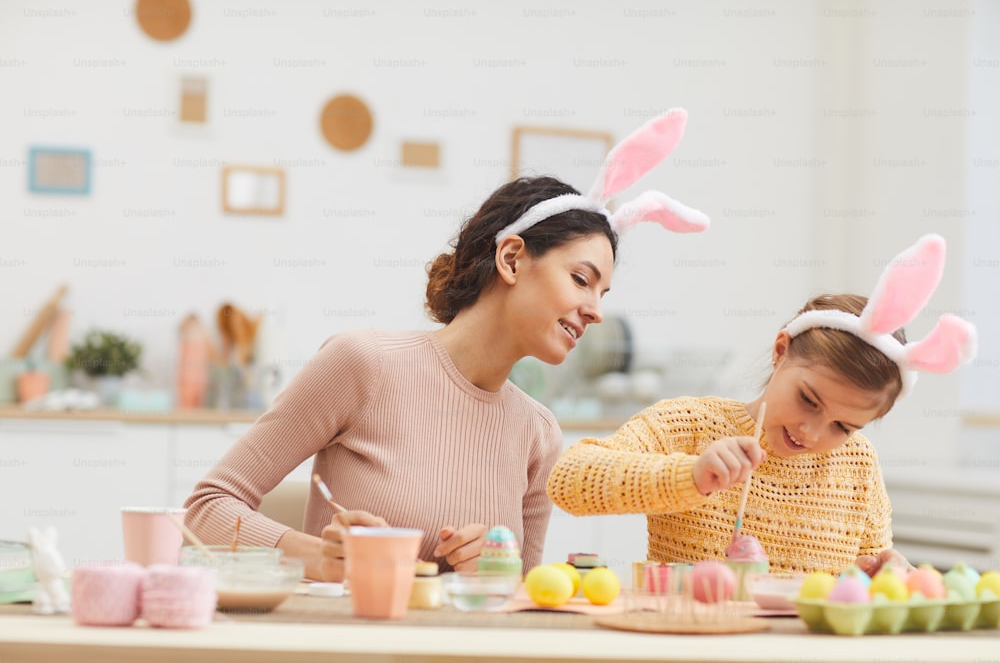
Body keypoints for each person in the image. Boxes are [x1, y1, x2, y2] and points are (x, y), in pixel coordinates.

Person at [184, 109, 710, 581]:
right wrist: (313, 554)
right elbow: (205, 510)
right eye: (581, 279)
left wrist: (497, 571)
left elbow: (525, 601)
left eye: (603, 293)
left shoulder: (538, 434)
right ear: (510, 259)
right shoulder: (361, 364)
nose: (596, 310)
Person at [547, 234, 976, 576]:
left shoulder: (858, 465)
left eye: (843, 427)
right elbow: (569, 481)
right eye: (808, 400)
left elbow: (871, 563)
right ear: (780, 350)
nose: (812, 432)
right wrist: (691, 475)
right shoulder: (689, 426)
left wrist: (886, 571)